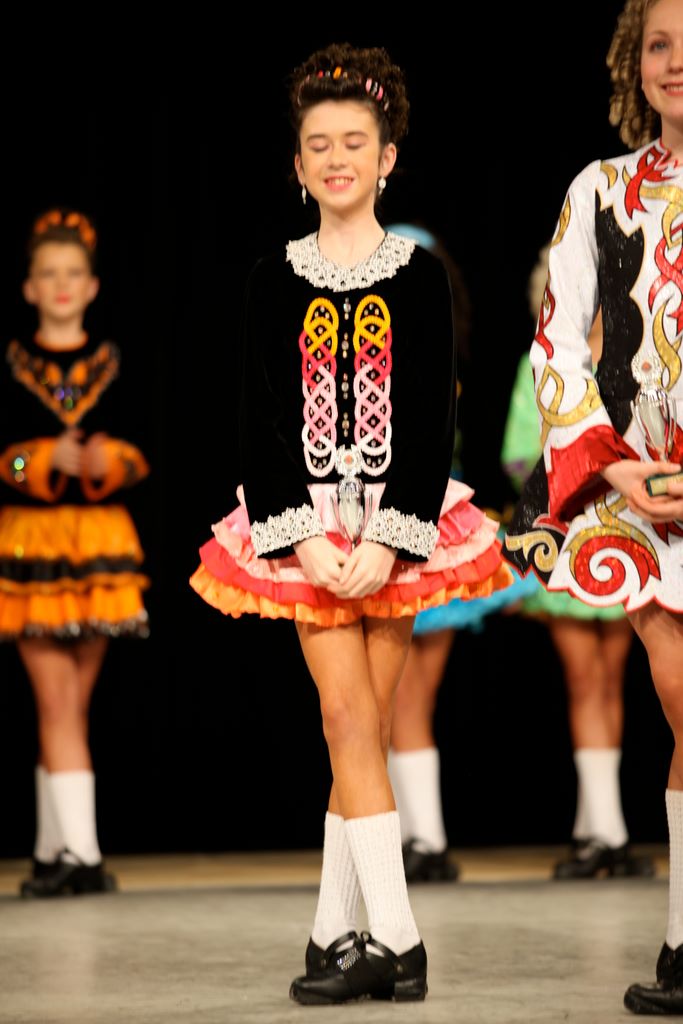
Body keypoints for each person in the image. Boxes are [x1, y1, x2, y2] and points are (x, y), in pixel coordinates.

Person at [190, 43, 510, 1005]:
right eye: (319, 144)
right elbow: (259, 427)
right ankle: (398, 942)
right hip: (305, 534)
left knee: (359, 728)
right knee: (346, 718)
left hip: (397, 535)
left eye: (354, 142)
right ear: (297, 165)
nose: (337, 159)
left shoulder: (417, 276)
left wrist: (387, 540)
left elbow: (429, 422)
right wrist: (304, 538)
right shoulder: (270, 279)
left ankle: (335, 932)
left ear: (387, 157)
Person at [502, 0, 683, 1011]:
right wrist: (612, 469)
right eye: (657, 43)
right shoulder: (599, 189)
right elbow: (557, 343)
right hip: (639, 500)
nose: (673, 61)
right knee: (678, 696)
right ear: (631, 61)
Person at [0, 209, 150, 898]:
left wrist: (107, 461)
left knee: (68, 708)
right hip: (31, 547)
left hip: (101, 549)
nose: (61, 285)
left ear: (91, 286)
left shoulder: (115, 361)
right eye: (48, 274)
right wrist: (35, 461)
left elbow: (144, 453)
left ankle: (54, 849)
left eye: (73, 274)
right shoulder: (10, 362)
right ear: (30, 287)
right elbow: (2, 460)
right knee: (57, 701)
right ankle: (82, 858)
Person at [385, 222, 537, 884]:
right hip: (403, 532)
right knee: (396, 700)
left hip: (422, 534)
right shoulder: (414, 354)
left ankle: (421, 838)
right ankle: (414, 836)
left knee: (405, 700)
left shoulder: (426, 357)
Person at [501, 245, 654, 881]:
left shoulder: (640, 357)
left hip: (626, 539)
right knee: (585, 682)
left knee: (612, 683)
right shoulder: (543, 361)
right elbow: (518, 453)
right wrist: (579, 465)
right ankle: (603, 832)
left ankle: (600, 829)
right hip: (566, 538)